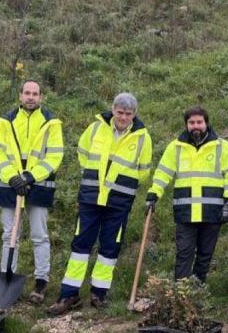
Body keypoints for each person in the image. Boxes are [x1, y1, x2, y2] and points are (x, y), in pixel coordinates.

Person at [47, 93, 152, 315]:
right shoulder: (96, 128)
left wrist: (120, 183)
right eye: (120, 112)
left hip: (119, 202)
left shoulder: (143, 137)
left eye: (128, 114)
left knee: (109, 248)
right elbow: (83, 153)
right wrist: (94, 178)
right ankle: (69, 294)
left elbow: (143, 171)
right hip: (91, 197)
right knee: (80, 244)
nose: (123, 117)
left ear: (135, 114)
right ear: (113, 109)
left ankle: (99, 294)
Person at [0, 80, 64, 304]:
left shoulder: (51, 123)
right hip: (9, 184)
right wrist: (12, 177)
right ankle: (6, 276)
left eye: (35, 94)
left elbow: (54, 155)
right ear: (20, 96)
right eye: (27, 93)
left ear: (41, 97)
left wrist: (30, 176)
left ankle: (41, 281)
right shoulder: (5, 121)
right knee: (9, 235)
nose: (31, 97)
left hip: (38, 184)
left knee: (40, 235)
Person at [146, 106, 228, 283]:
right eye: (191, 123)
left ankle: (197, 292)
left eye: (199, 122)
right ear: (186, 125)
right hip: (185, 212)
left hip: (213, 212)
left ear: (206, 123)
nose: (195, 126)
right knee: (184, 253)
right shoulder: (176, 147)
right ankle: (181, 294)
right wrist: (153, 194)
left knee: (205, 255)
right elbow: (163, 173)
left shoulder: (223, 147)